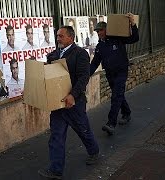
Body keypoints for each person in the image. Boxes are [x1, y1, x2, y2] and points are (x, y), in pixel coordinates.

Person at [38, 26, 100, 179]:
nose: (58, 38)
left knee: (83, 130)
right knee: (56, 135)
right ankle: (56, 170)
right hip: (58, 104)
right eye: (57, 36)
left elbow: (83, 77)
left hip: (74, 103)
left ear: (71, 38)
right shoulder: (53, 55)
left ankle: (94, 151)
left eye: (61, 36)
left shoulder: (80, 54)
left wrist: (72, 95)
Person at [90, 13, 139, 135]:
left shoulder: (118, 38)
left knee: (116, 96)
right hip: (110, 74)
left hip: (121, 72)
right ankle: (126, 113)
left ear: (107, 29)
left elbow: (134, 38)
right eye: (97, 31)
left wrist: (133, 24)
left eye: (101, 30)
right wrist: (86, 75)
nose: (99, 33)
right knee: (119, 95)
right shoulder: (100, 46)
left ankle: (111, 123)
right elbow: (95, 62)